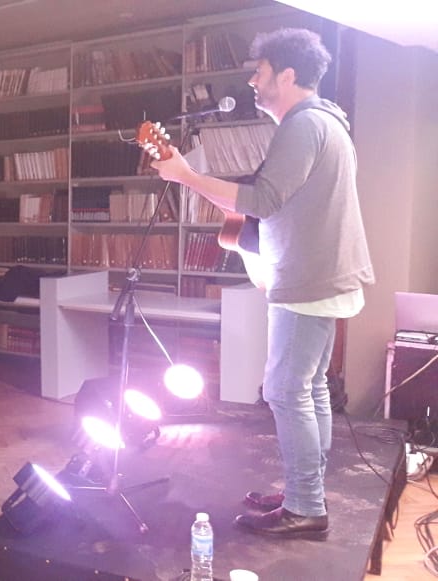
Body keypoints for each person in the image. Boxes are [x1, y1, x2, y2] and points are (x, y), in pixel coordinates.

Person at [151, 28, 374, 539]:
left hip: (308, 280)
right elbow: (270, 204)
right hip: (324, 276)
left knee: (285, 390)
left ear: (287, 75)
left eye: (260, 71)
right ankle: (305, 492)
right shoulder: (326, 122)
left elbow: (262, 202)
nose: (253, 81)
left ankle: (305, 507)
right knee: (309, 387)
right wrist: (197, 182)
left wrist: (185, 176)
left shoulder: (304, 124)